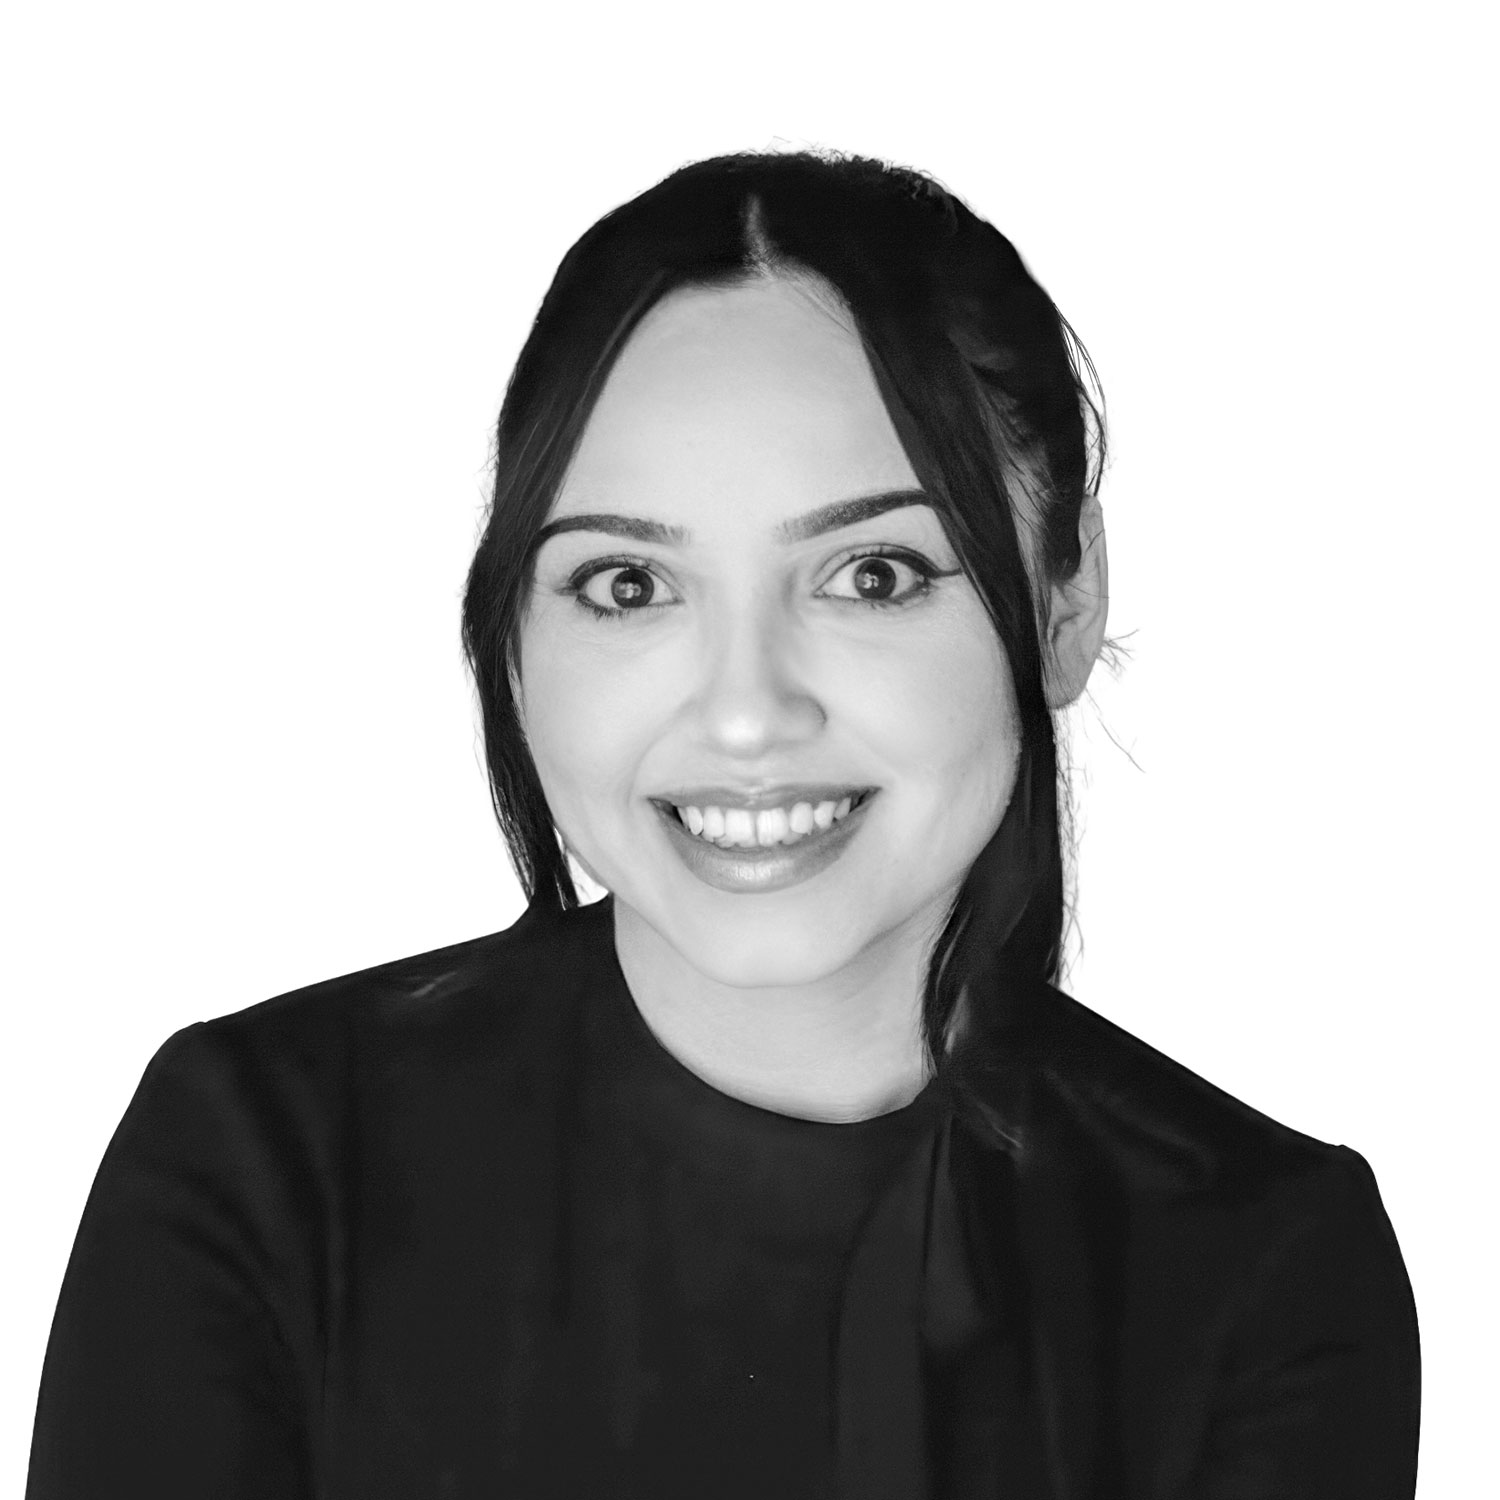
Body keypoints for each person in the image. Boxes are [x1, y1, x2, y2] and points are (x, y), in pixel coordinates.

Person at [25, 150, 1420, 1498]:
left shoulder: (1264, 1269)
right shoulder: (260, 1162)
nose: (746, 715)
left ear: (1066, 601)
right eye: (629, 587)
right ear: (514, 634)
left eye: (871, 574)